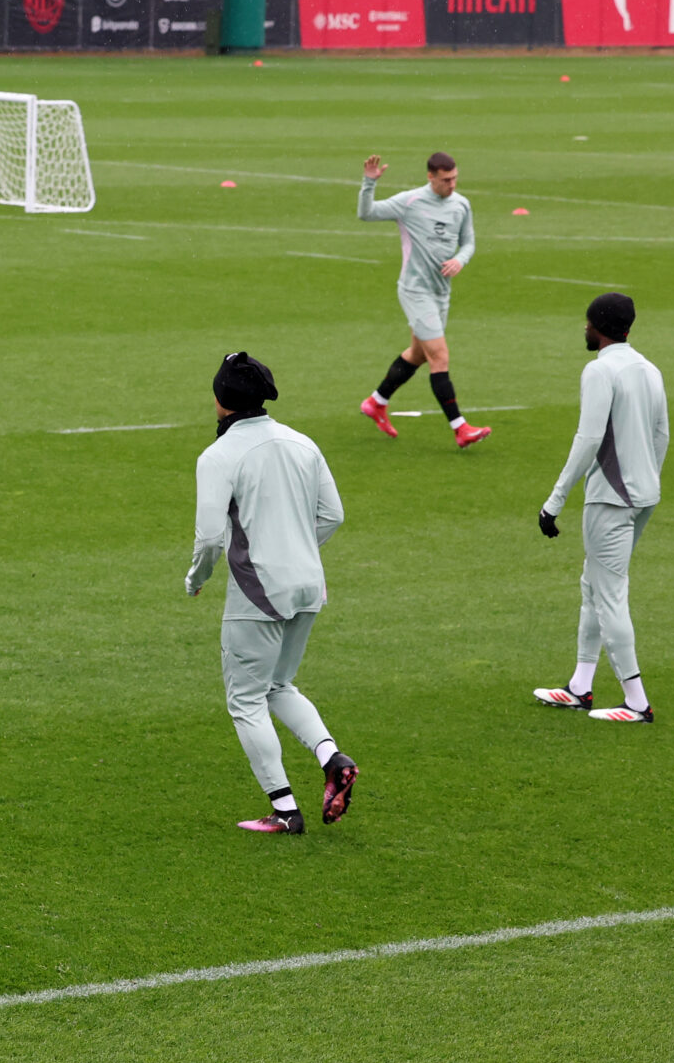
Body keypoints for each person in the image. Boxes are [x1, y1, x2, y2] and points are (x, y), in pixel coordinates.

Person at [185, 352, 359, 835]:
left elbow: (209, 539)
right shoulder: (303, 443)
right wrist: (296, 550)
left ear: (220, 399)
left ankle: (285, 810)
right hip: (309, 583)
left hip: (258, 591)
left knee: (246, 701)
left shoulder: (218, 456)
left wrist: (197, 579)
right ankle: (333, 758)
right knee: (279, 685)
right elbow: (333, 515)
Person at [534, 292, 668, 724]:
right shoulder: (649, 369)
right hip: (643, 495)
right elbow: (661, 434)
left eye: (588, 322)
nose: (585, 328)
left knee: (608, 595)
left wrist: (555, 500)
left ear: (599, 327)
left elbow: (589, 439)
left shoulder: (599, 370)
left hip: (611, 498)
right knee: (594, 585)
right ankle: (580, 686)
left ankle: (637, 702)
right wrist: (646, 480)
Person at [356, 151, 489, 447]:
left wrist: (460, 260)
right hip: (415, 291)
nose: (452, 185)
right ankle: (460, 428)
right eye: (446, 180)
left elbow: (468, 242)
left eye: (455, 178)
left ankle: (376, 402)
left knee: (418, 354)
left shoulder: (461, 204)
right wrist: (369, 183)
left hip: (441, 293)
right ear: (430, 177)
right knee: (439, 356)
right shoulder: (410, 202)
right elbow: (367, 213)